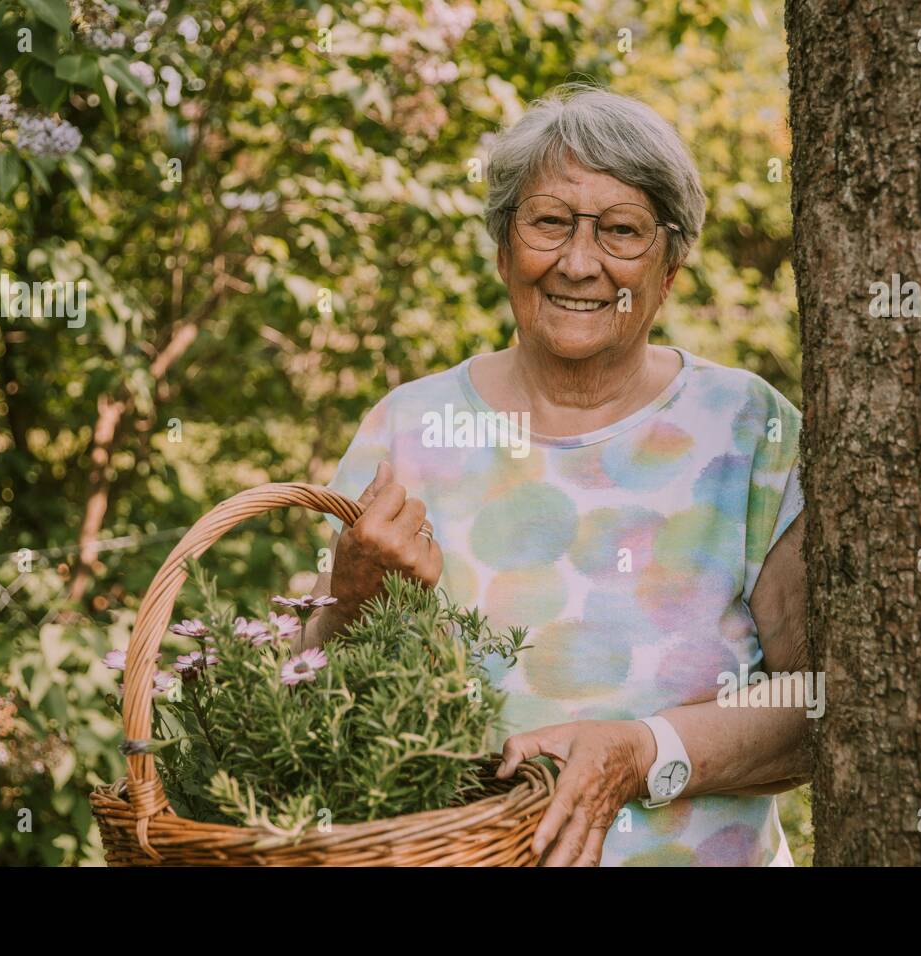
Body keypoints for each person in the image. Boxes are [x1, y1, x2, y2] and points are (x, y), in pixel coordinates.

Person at [303, 82, 808, 866]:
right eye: (548, 223)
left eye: (621, 231)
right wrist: (348, 601)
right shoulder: (406, 429)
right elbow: (303, 713)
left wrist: (645, 753)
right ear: (504, 247)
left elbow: (823, 706)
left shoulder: (748, 428)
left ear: (672, 265)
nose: (578, 263)